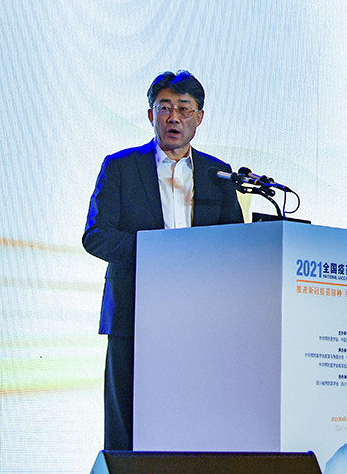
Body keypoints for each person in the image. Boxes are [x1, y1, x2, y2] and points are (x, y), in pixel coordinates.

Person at [83, 71, 243, 451]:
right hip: (134, 314)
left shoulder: (217, 174)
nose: (174, 118)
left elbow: (236, 243)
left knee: (193, 420)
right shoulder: (121, 166)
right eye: (165, 108)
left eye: (184, 109)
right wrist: (159, 256)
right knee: (128, 426)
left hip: (199, 319)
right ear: (151, 114)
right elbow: (96, 235)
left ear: (199, 117)